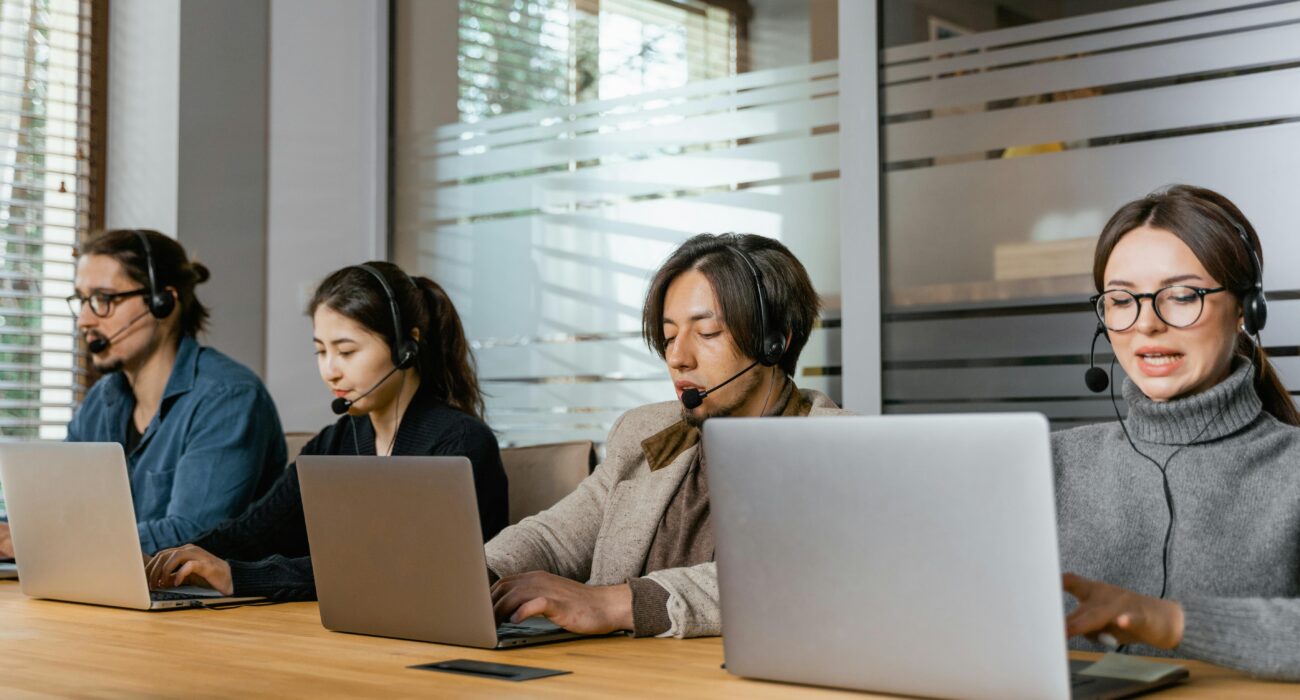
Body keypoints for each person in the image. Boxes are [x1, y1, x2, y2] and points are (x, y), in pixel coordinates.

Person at [487, 233, 850, 639]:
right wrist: (475, 575)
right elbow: (555, 537)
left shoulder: (838, 447)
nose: (678, 358)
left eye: (707, 332)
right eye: (669, 335)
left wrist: (612, 603)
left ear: (773, 343)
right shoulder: (646, 433)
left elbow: (794, 573)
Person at [144, 262, 509, 601]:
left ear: (406, 348)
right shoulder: (335, 441)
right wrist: (163, 560)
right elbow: (252, 531)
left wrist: (238, 576)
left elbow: (394, 568)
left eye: (346, 352)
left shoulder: (460, 443)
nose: (330, 371)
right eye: (321, 351)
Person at [1057, 185, 1300, 680]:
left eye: (1182, 295)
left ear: (1245, 311)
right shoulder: (1047, 463)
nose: (1146, 324)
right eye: (1121, 300)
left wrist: (1167, 621)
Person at [0, 229, 286, 557]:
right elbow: (60, 505)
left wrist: (41, 540)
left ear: (162, 303)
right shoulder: (102, 400)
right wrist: (14, 530)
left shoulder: (229, 398)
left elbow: (193, 535)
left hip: (204, 604)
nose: (84, 320)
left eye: (104, 299)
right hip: (113, 589)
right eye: (82, 300)